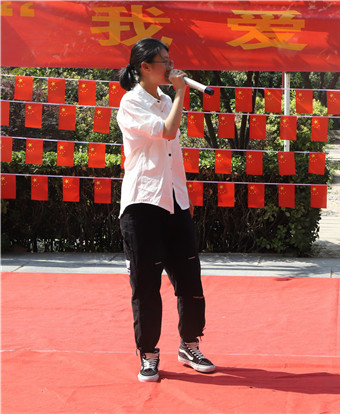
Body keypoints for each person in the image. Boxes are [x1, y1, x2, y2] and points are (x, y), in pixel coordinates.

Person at [117, 38, 216, 382]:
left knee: (190, 280)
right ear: (144, 67)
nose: (171, 66)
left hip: (176, 201)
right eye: (164, 61)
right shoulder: (131, 103)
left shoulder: (165, 100)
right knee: (146, 285)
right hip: (143, 204)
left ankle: (190, 344)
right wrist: (181, 92)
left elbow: (171, 147)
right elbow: (168, 131)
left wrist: (174, 96)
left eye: (170, 60)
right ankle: (148, 353)